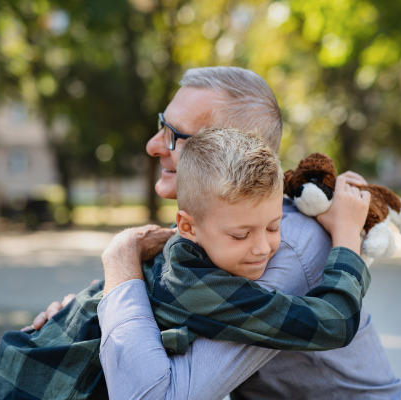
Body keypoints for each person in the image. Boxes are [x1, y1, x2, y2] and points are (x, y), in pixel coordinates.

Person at [36, 66, 401, 399]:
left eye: (174, 135)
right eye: (161, 125)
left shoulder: (281, 248)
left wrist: (120, 260)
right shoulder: (212, 231)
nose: (153, 146)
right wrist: (89, 316)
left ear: (231, 152)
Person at [138, 126, 370, 355]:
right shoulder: (189, 284)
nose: (262, 248)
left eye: (273, 227)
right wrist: (347, 231)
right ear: (187, 227)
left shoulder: (197, 243)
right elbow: (335, 323)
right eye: (240, 235)